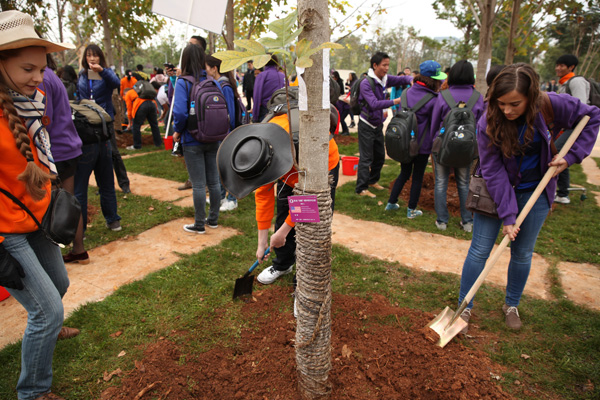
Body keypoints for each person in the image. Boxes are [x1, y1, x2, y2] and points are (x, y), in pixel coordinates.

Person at [457, 63, 599, 333]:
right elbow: (493, 170)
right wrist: (508, 215)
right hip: (495, 190)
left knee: (522, 253)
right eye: (501, 104)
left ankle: (511, 305)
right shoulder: (488, 119)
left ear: (530, 97)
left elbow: (592, 116)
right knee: (480, 249)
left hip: (536, 190)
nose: (507, 110)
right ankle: (464, 307)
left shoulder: (551, 104)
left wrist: (571, 157)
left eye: (514, 104)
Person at [0, 10, 79, 400]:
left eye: (42, 68)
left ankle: (45, 328)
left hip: (36, 221)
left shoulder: (30, 104)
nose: (39, 77)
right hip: (7, 231)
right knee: (48, 311)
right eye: (27, 68)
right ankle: (33, 392)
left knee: (60, 285)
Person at [385, 60, 447, 217]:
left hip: (404, 142)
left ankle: (391, 203)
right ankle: (411, 210)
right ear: (432, 80)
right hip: (422, 146)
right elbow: (434, 124)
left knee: (404, 173)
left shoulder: (406, 93)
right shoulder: (434, 100)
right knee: (417, 177)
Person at [430, 60, 484, 232]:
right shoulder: (478, 97)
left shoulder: (443, 95)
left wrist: (434, 142)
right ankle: (467, 222)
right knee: (463, 182)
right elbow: (481, 125)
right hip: (467, 148)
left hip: (443, 146)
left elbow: (434, 122)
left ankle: (442, 221)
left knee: (440, 182)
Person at [172, 44, 221, 234]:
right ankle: (214, 220)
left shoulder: (183, 82)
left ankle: (199, 224)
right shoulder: (212, 81)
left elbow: (180, 113)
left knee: (199, 184)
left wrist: (177, 131)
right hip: (213, 137)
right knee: (214, 182)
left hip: (192, 139)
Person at [355, 52, 413, 198]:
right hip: (366, 124)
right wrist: (395, 101)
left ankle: (372, 181)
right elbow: (374, 104)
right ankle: (361, 188)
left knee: (380, 155)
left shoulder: (384, 79)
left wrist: (411, 79)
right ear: (375, 65)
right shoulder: (366, 83)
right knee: (366, 157)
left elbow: (402, 79)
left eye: (388, 65)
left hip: (378, 124)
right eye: (384, 65)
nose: (387, 68)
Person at [78, 44, 131, 194]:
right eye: (89, 55)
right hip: (88, 120)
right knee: (94, 153)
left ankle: (124, 183)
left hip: (104, 119)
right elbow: (81, 95)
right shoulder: (82, 75)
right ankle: (103, 185)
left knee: (113, 152)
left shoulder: (106, 73)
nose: (92, 58)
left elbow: (116, 83)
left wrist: (102, 71)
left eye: (95, 55)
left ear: (100, 57)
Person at [554, 54, 591, 205]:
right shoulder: (564, 83)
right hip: (566, 127)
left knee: (556, 152)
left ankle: (562, 193)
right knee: (560, 154)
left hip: (575, 127)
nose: (558, 68)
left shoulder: (576, 82)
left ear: (571, 67)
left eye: (562, 65)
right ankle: (562, 192)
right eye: (557, 65)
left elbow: (581, 107)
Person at [204, 54, 239, 212]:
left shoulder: (224, 86)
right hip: (221, 133)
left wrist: (226, 132)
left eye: (206, 67)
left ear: (214, 68)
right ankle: (219, 196)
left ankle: (232, 199)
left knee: (228, 167)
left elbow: (230, 114)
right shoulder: (218, 84)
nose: (205, 70)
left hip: (228, 134)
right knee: (219, 166)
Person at [124, 81, 163, 150]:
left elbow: (129, 108)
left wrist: (130, 122)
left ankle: (137, 146)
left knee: (136, 126)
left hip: (141, 105)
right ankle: (158, 143)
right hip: (152, 104)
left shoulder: (128, 94)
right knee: (154, 125)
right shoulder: (143, 91)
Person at [252, 54, 285, 122]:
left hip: (265, 110)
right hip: (281, 109)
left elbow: (257, 96)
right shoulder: (283, 76)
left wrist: (255, 115)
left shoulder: (262, 76)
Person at [332, 70, 350, 135]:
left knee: (341, 119)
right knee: (340, 119)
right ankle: (344, 131)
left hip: (344, 106)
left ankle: (346, 131)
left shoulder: (338, 83)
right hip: (343, 105)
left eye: (334, 77)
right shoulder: (336, 83)